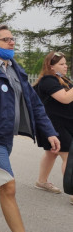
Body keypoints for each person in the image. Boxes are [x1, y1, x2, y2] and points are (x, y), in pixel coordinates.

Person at [0, 24, 60, 232]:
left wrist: (50, 131)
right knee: (8, 186)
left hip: (7, 138)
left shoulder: (17, 70)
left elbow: (35, 104)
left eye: (12, 39)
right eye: (6, 40)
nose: (12, 42)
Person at [34, 51, 73, 205]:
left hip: (65, 122)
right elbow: (64, 99)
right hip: (54, 124)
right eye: (61, 64)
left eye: (66, 63)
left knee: (52, 153)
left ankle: (41, 181)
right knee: (68, 157)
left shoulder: (63, 79)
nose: (66, 66)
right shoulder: (48, 80)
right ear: (51, 66)